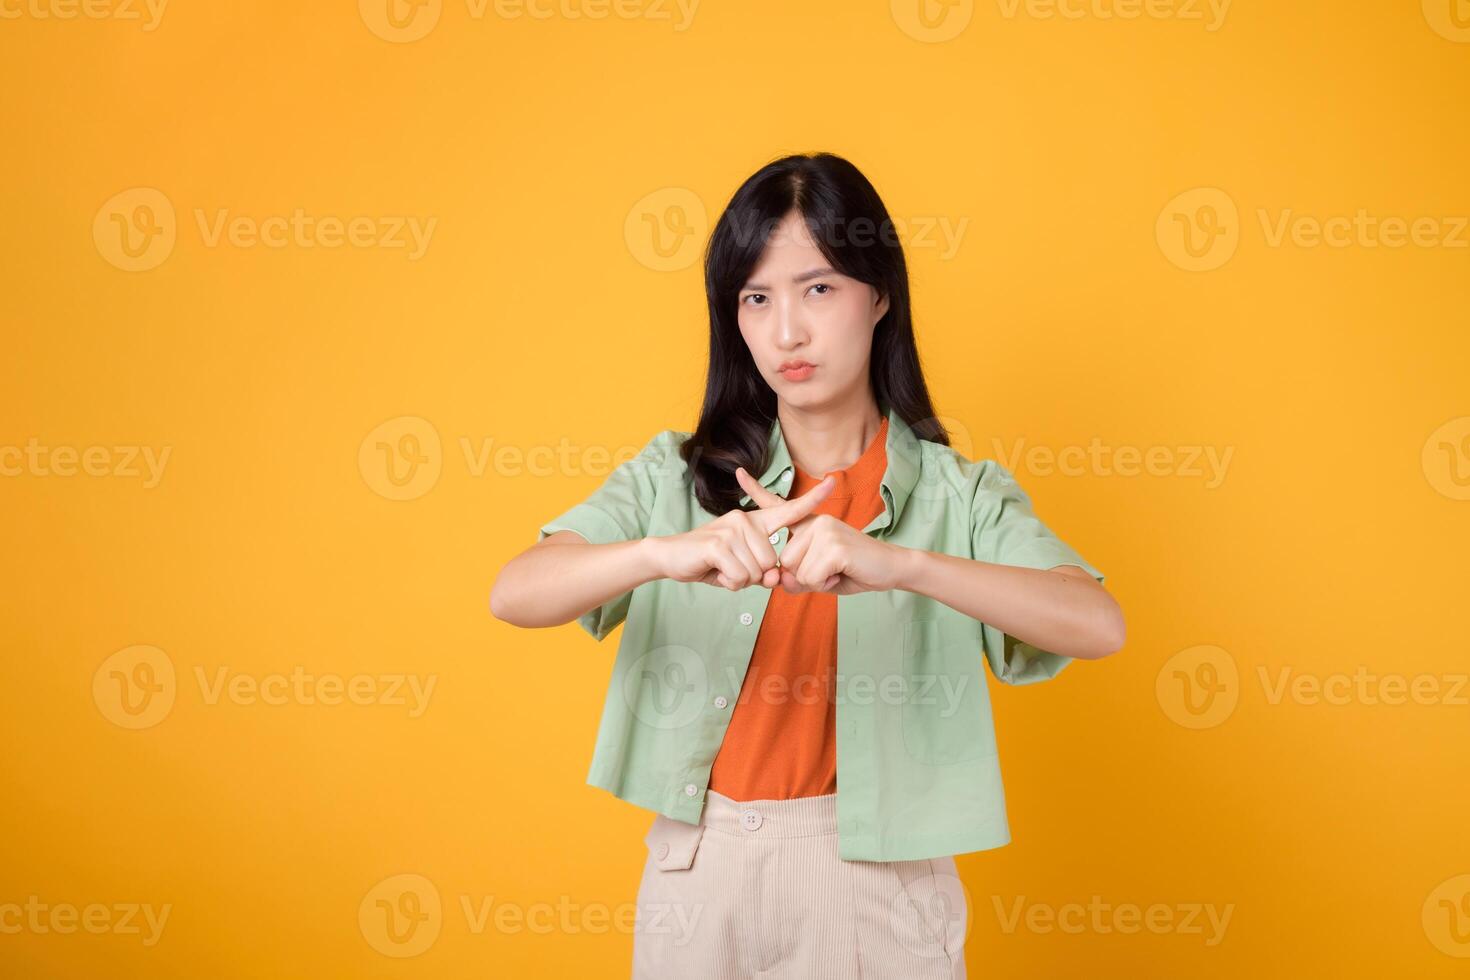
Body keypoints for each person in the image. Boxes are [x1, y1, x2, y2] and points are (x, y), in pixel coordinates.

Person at [490, 152, 1125, 979]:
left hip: (873, 885)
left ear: (879, 292)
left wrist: (904, 566)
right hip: (696, 870)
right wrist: (660, 553)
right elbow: (514, 592)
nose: (786, 331)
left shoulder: (957, 494)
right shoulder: (674, 477)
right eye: (756, 298)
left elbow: (1096, 622)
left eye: (817, 288)